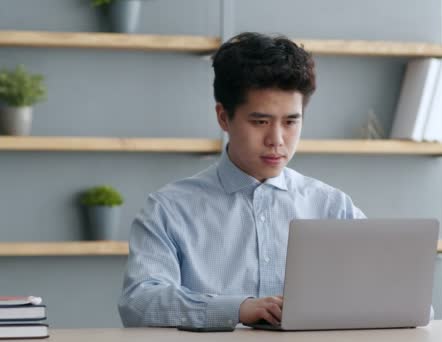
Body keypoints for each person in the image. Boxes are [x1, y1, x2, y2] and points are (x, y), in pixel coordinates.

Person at [117, 32, 366, 329]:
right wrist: (238, 309)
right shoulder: (169, 209)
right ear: (224, 117)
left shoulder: (332, 206)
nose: (276, 140)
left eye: (290, 122)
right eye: (260, 122)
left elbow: (394, 294)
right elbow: (139, 302)